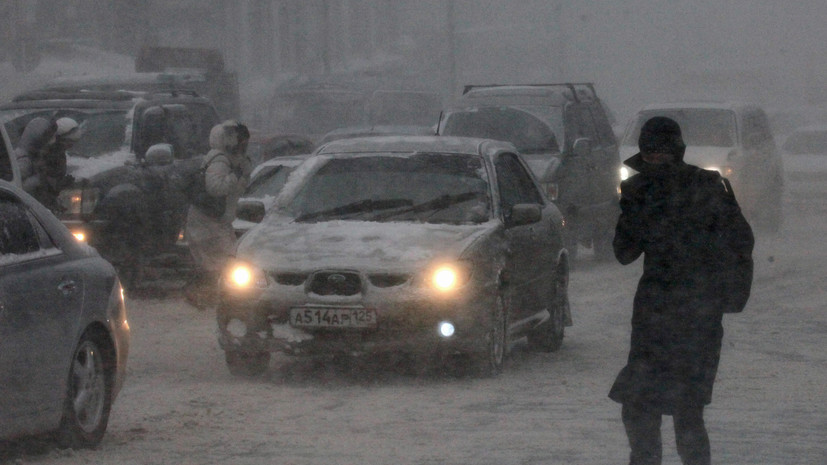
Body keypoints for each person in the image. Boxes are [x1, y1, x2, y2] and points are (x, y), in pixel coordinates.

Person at [609, 116, 754, 465]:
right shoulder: (641, 192)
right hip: (655, 316)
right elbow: (624, 253)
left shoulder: (706, 187)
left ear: (676, 150)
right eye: (648, 151)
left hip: (696, 317)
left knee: (686, 411)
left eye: (660, 151)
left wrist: (726, 298)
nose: (654, 158)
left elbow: (739, 243)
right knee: (640, 406)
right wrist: (633, 207)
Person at [184, 120, 252, 309]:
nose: (243, 146)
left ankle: (207, 295)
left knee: (218, 261)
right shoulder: (220, 160)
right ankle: (216, 297)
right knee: (224, 261)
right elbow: (215, 187)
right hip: (208, 221)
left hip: (214, 220)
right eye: (241, 141)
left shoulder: (225, 159)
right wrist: (236, 175)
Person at [22, 117, 81, 213]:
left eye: (72, 144)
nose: (69, 146)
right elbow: (35, 183)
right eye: (68, 142)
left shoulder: (58, 154)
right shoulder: (42, 155)